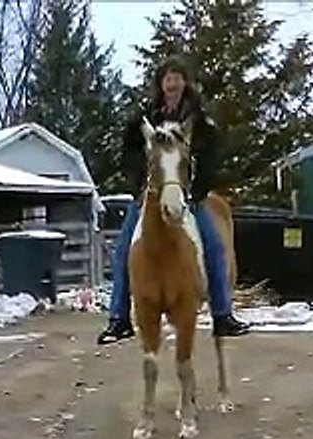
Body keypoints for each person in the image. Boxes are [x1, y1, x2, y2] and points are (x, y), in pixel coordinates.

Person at [97, 55, 251, 346]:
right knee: (122, 251)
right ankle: (119, 319)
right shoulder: (145, 118)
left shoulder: (199, 119)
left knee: (214, 245)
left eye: (177, 77)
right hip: (152, 191)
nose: (172, 83)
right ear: (161, 83)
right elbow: (128, 152)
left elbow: (211, 154)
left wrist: (201, 186)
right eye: (167, 78)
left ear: (184, 83)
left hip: (188, 190)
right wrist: (138, 183)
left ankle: (222, 315)